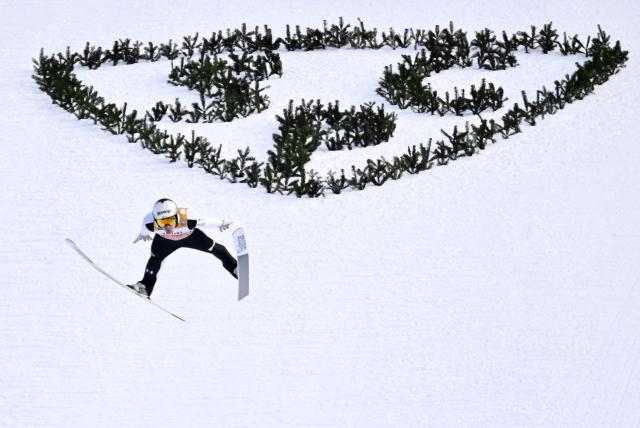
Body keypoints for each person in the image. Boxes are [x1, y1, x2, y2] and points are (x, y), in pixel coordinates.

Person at [128, 198, 237, 298]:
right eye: (162, 222)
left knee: (217, 249)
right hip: (165, 241)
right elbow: (144, 228)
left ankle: (235, 267)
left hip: (191, 238)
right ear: (155, 219)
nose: (167, 227)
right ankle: (145, 287)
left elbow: (205, 222)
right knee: (154, 260)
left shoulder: (189, 217)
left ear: (177, 216)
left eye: (170, 221)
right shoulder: (149, 222)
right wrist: (143, 234)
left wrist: (221, 223)